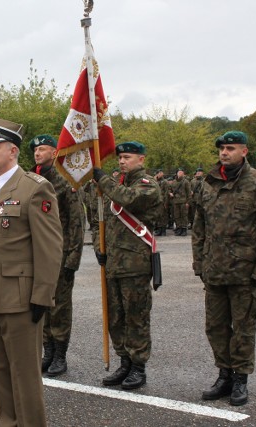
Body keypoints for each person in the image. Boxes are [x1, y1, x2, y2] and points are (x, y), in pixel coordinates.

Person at [0, 116, 63, 426]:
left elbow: (50, 247)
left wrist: (42, 295)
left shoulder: (34, 188)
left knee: (25, 379)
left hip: (20, 299)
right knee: (0, 374)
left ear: (12, 151)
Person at [192, 131, 256, 406]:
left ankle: (240, 379)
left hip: (244, 272)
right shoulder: (208, 183)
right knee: (216, 327)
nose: (224, 153)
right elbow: (199, 228)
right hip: (214, 270)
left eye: (230, 148)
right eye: (221, 149)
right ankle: (224, 375)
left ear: (245, 151)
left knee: (242, 328)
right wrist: (200, 264)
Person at [91, 141, 163, 391]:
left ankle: (138, 367)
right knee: (115, 317)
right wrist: (98, 247)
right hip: (113, 264)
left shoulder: (147, 185)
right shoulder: (114, 186)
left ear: (141, 160)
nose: (122, 161)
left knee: (136, 317)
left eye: (128, 157)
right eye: (120, 157)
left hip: (135, 264)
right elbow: (97, 220)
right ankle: (124, 361)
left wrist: (103, 181)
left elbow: (129, 200)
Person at [30, 134, 85, 377]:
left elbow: (76, 222)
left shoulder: (64, 181)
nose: (37, 153)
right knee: (42, 302)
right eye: (35, 150)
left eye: (42, 149)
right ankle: (48, 351)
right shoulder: (32, 180)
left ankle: (60, 355)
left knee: (60, 306)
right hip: (37, 254)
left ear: (54, 153)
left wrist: (73, 257)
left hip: (61, 253)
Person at [169, 167, 191, 236]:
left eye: (182, 172)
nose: (180, 173)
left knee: (184, 216)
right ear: (177, 173)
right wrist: (170, 193)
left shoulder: (186, 182)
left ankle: (184, 229)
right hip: (175, 202)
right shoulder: (174, 182)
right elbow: (170, 189)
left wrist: (188, 202)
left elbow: (189, 193)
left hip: (183, 201)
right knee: (177, 216)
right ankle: (179, 228)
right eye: (179, 172)